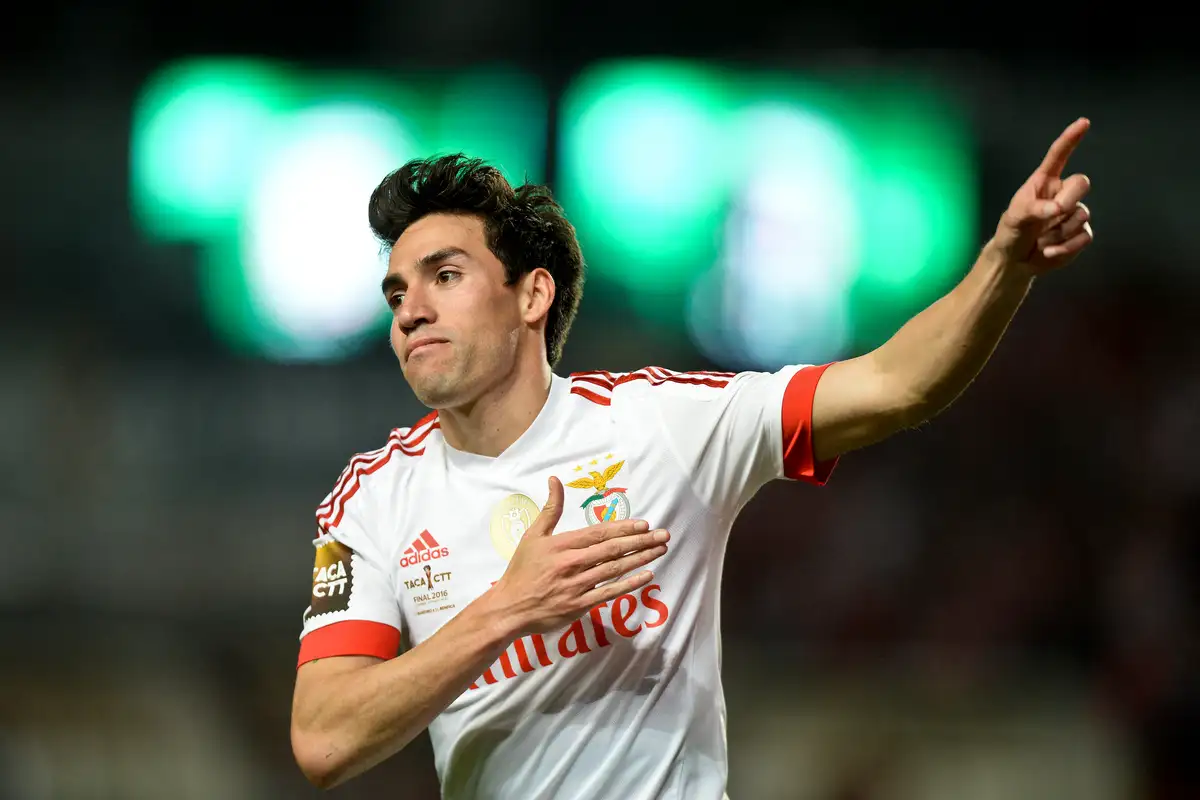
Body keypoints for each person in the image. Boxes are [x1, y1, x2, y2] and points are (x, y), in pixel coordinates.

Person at [290, 118, 1095, 797]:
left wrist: (1003, 266)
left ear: (532, 295)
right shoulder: (371, 499)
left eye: (445, 275)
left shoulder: (661, 424)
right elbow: (323, 740)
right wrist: (508, 610)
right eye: (397, 293)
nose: (410, 311)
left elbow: (896, 383)